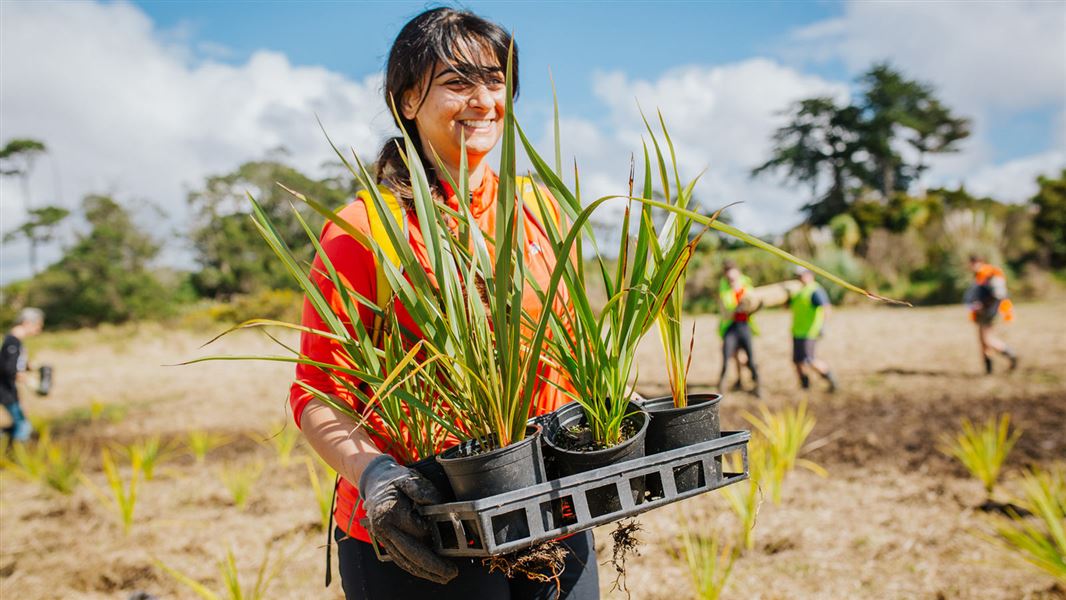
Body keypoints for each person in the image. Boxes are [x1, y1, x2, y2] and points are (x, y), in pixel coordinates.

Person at [288, 8, 596, 600]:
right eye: (457, 83)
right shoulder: (365, 229)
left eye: (496, 80)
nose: (483, 100)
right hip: (423, 530)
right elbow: (316, 395)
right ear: (407, 101)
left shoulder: (543, 212)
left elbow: (569, 349)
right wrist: (376, 478)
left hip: (548, 512)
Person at [965, 255, 1018, 374]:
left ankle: (1010, 354)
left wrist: (983, 305)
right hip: (981, 312)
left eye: (973, 263)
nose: (971, 266)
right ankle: (988, 369)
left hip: (989, 312)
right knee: (982, 340)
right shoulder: (979, 275)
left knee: (987, 340)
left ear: (980, 262)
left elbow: (998, 294)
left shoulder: (992, 273)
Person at [716, 260, 761, 397]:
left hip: (745, 326)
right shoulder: (724, 290)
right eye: (729, 278)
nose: (731, 281)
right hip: (731, 327)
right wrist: (737, 306)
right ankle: (721, 388)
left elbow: (754, 303)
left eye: (734, 278)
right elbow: (726, 310)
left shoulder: (747, 287)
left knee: (750, 358)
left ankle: (757, 386)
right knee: (726, 357)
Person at [789, 268, 837, 392]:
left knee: (809, 360)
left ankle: (831, 380)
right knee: (797, 361)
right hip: (797, 331)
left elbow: (826, 308)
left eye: (801, 275)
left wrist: (823, 327)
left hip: (809, 332)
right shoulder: (799, 291)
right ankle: (805, 386)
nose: (799, 278)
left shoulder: (815, 291)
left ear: (809, 275)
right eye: (797, 276)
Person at [2, 307, 44, 442]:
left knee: (19, 422)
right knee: (23, 426)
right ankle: (18, 457)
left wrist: (27, 366)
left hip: (8, 390)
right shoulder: (12, 342)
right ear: (27, 323)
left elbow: (11, 363)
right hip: (5, 391)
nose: (38, 330)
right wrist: (30, 382)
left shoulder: (14, 342)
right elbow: (8, 368)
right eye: (38, 325)